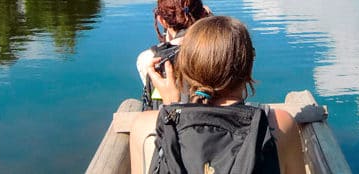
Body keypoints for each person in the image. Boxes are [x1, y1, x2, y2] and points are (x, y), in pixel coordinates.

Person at [130, 16, 305, 174]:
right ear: (248, 68)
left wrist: (171, 108)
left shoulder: (145, 126)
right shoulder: (279, 125)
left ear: (185, 69)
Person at [136, 0, 211, 109]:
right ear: (203, 14)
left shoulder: (149, 58)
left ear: (162, 21)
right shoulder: (219, 48)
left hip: (168, 115)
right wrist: (209, 19)